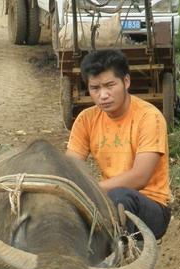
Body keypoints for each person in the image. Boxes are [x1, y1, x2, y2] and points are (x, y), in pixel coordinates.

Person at [66, 49, 172, 240]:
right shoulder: (86, 119)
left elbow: (139, 177)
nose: (103, 95)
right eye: (95, 88)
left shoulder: (149, 117)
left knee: (121, 198)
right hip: (107, 200)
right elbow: (71, 168)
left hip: (151, 206)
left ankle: (127, 259)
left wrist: (91, 190)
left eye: (109, 85)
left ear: (126, 82)